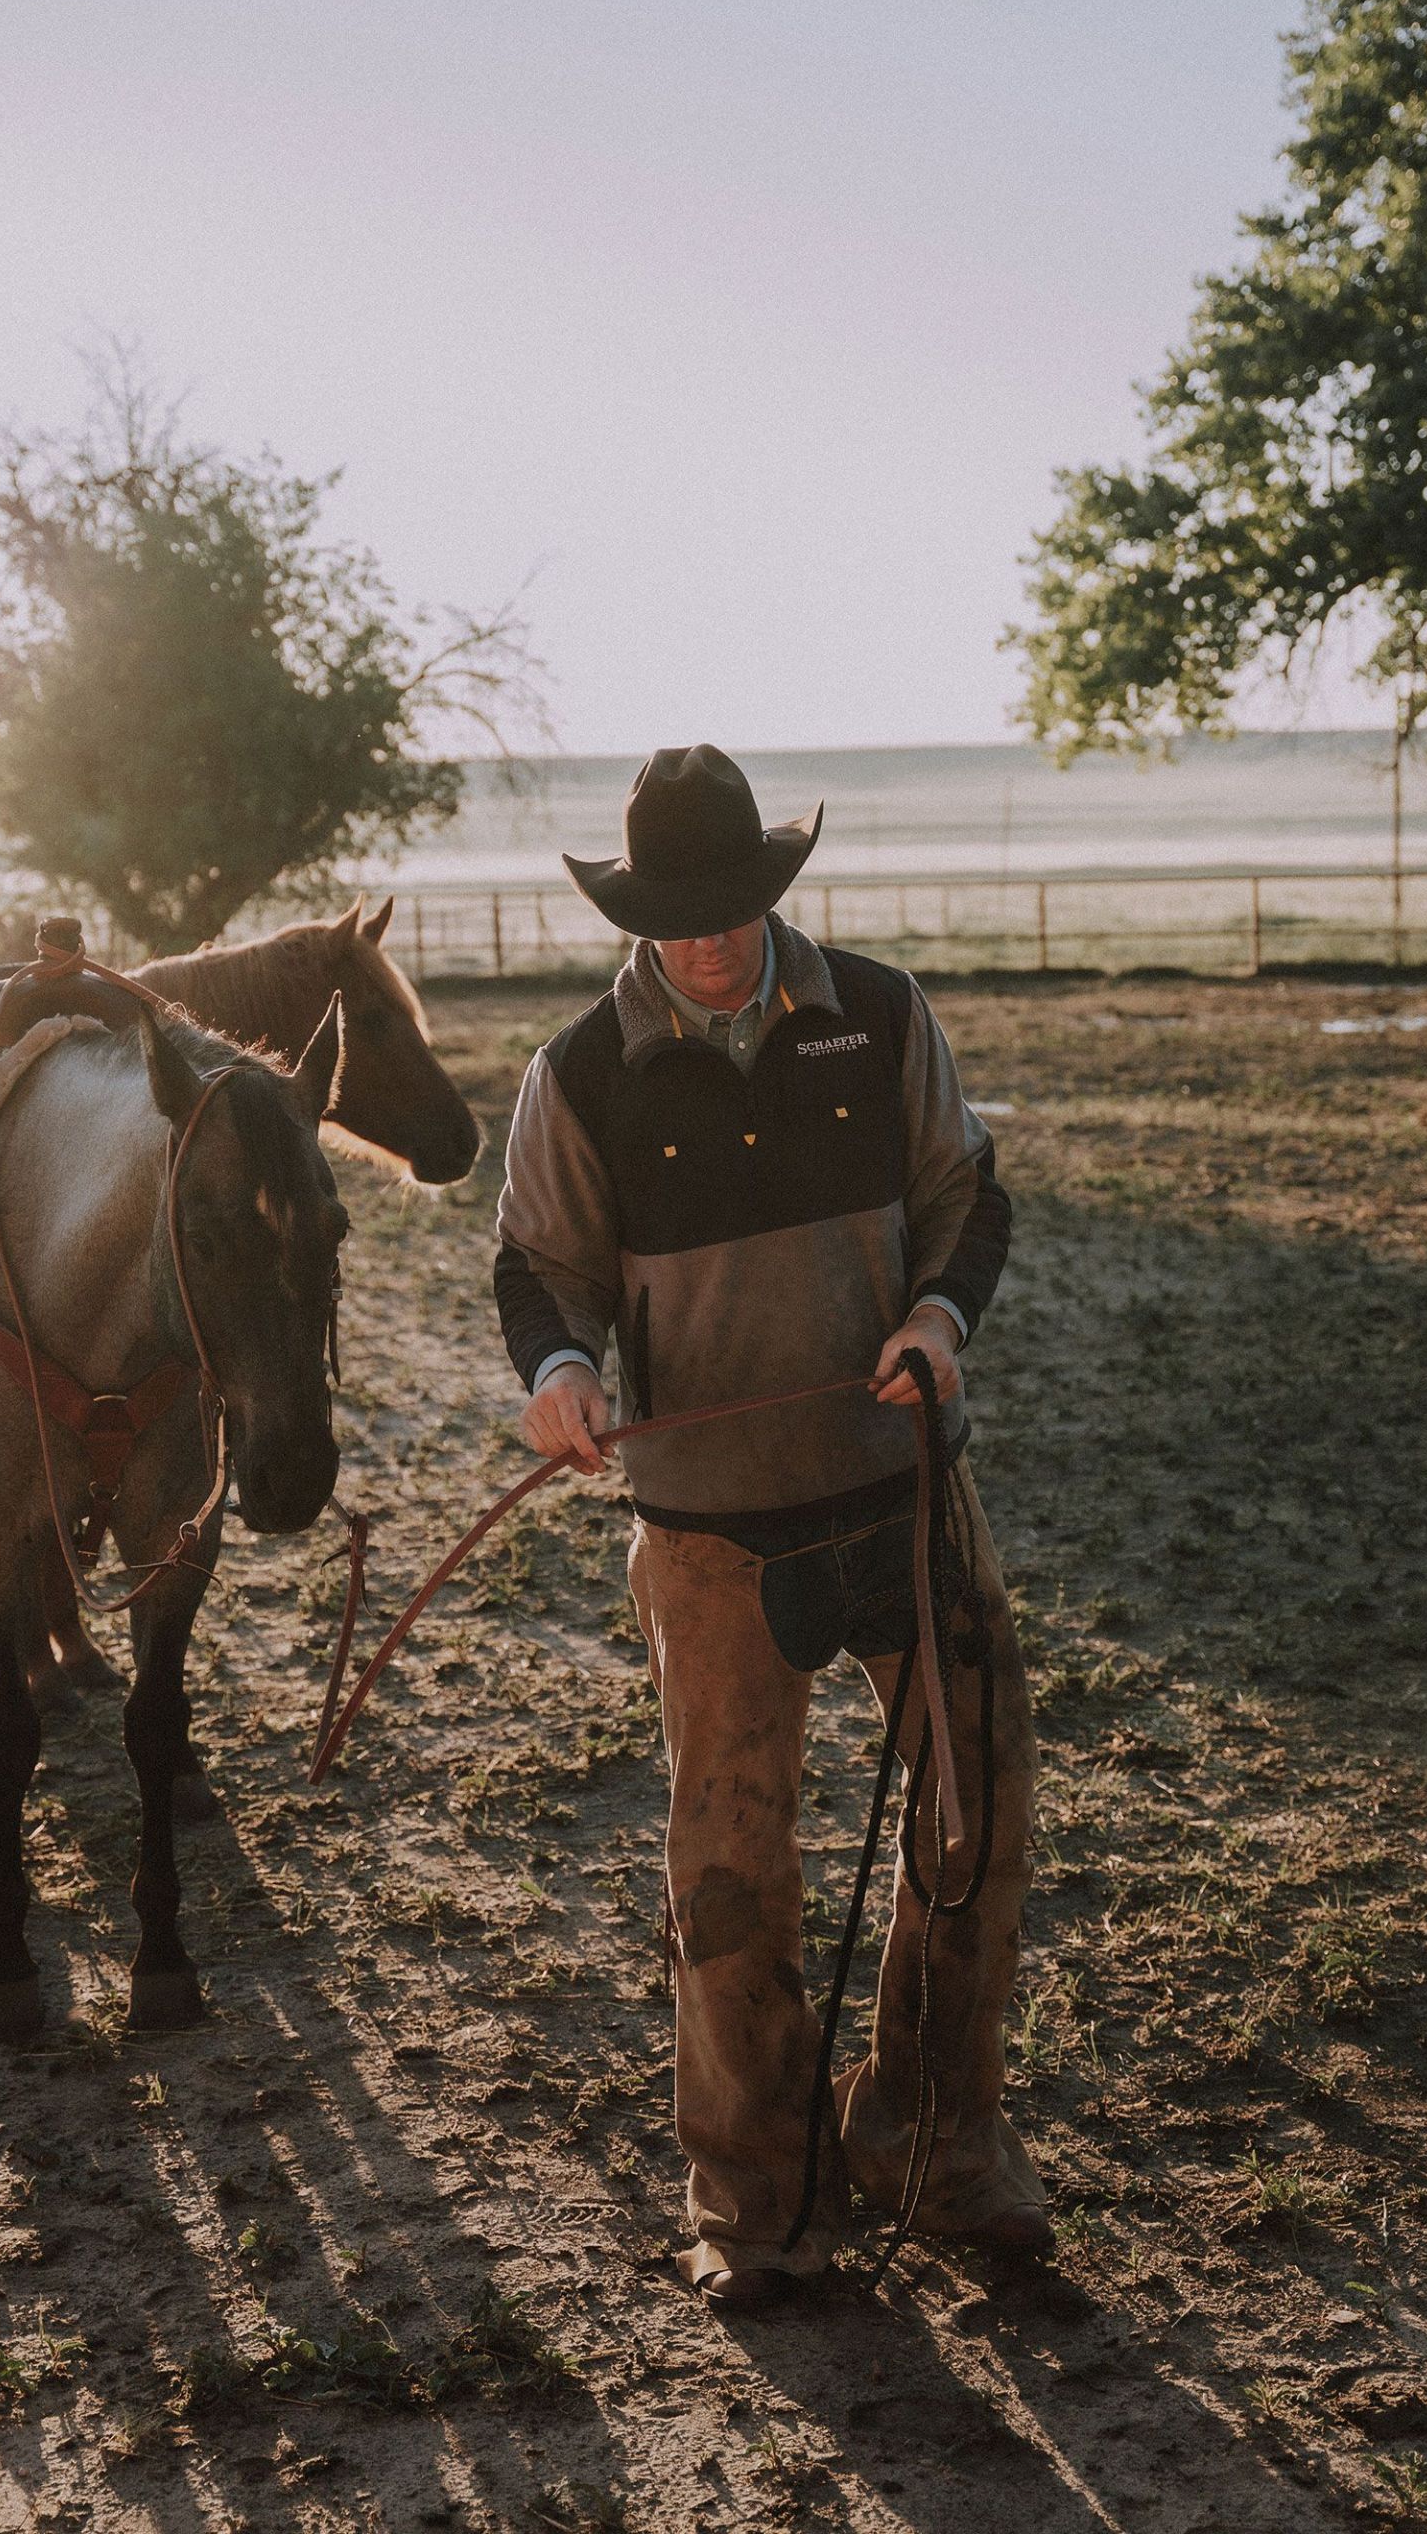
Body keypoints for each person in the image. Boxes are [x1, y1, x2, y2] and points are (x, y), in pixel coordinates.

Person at [493, 744, 1047, 2310]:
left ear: (771, 888)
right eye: (682, 914)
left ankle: (935, 2145)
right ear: (638, 913)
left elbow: (969, 1196)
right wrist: (559, 1373)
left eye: (735, 904)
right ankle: (756, 2197)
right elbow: (539, 1271)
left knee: (981, 1818)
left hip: (906, 1491)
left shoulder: (880, 1015)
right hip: (712, 1535)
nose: (714, 937)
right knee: (729, 1868)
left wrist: (941, 1316)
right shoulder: (578, 1073)